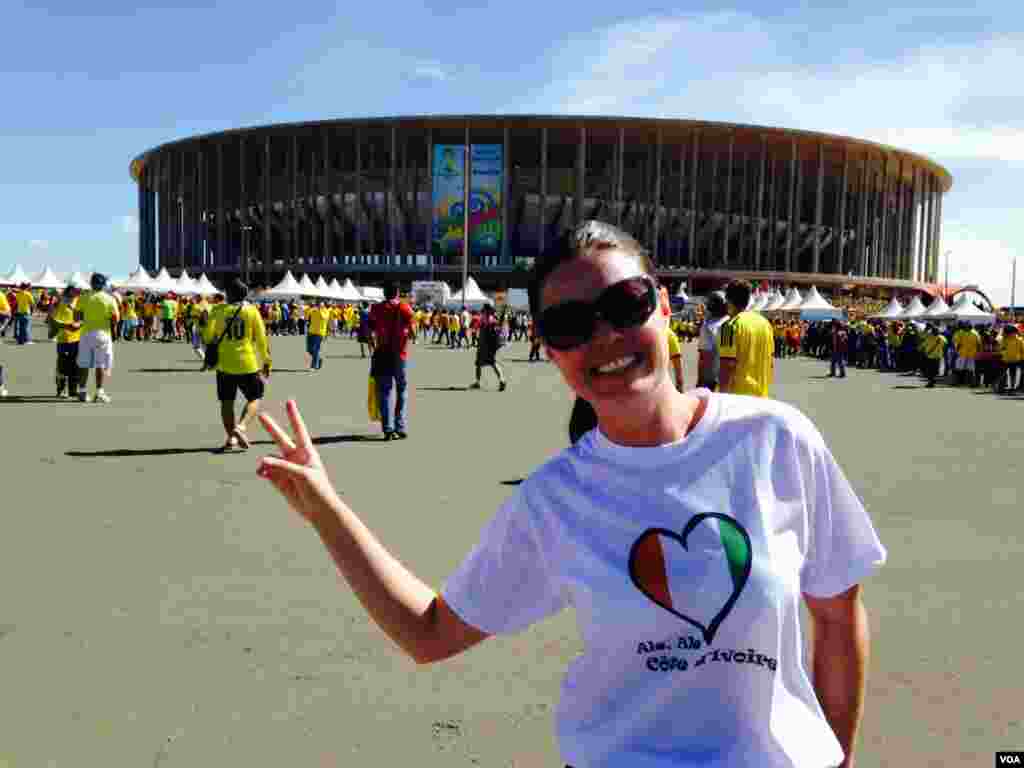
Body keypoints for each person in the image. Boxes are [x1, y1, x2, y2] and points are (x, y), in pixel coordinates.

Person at [255, 220, 886, 768]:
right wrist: (326, 511)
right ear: (551, 350)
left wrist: (841, 758)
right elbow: (430, 634)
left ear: (664, 307)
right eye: (569, 325)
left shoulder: (775, 438)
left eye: (627, 303)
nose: (604, 336)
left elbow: (837, 615)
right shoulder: (554, 500)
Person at [204, 279, 271, 451]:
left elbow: (208, 336)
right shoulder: (252, 311)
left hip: (224, 364)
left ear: (229, 294)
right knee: (255, 398)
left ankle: (231, 439)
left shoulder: (218, 310)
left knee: (226, 402)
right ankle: (241, 427)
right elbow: (261, 339)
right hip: (247, 362)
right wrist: (266, 361)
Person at [369, 282, 414, 440]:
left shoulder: (376, 309)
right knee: (401, 389)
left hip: (382, 353)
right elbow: (412, 331)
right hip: (399, 355)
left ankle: (387, 429)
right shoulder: (404, 307)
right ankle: (399, 426)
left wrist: (374, 342)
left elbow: (369, 329)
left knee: (384, 392)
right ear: (397, 293)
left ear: (383, 293)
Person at [718, 281, 775, 397]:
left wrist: (722, 399)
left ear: (729, 301)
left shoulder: (729, 326)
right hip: (761, 395)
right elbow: (771, 363)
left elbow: (727, 366)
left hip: (738, 398)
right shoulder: (765, 323)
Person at [74, 274, 120, 403]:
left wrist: (83, 319)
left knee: (83, 364)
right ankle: (99, 392)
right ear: (103, 284)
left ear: (91, 284)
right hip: (103, 334)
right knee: (100, 364)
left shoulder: (83, 297)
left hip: (86, 333)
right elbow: (115, 318)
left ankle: (82, 392)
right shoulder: (109, 299)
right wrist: (114, 331)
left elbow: (77, 316)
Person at [49, 285, 82, 398]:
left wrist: (79, 324)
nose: (78, 291)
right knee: (62, 365)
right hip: (63, 339)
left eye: (79, 290)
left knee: (76, 365)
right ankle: (61, 389)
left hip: (78, 339)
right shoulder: (59, 302)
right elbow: (52, 320)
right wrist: (66, 326)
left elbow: (83, 318)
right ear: (70, 290)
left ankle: (73, 390)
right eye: (76, 289)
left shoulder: (80, 301)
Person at [469, 304, 506, 391]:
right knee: (493, 363)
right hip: (492, 346)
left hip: (483, 345)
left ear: (485, 310)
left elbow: (474, 328)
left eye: (483, 310)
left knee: (478, 364)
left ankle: (478, 382)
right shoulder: (494, 319)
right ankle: (502, 379)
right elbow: (500, 330)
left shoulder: (482, 319)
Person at [697, 290, 728, 391]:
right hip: (731, 377)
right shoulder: (733, 322)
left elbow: (705, 357)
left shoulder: (708, 327)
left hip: (712, 379)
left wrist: (700, 381)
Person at [306, 300, 330, 370]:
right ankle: (319, 359)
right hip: (311, 331)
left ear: (324, 305)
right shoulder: (313, 310)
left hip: (319, 333)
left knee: (315, 349)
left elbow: (323, 318)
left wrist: (320, 310)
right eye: (318, 303)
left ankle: (313, 366)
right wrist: (310, 310)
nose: (319, 304)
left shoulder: (326, 311)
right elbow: (308, 317)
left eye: (320, 303)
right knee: (309, 349)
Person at [920, 324, 946, 389]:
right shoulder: (942, 338)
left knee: (931, 370)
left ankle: (931, 381)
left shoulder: (929, 337)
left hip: (930, 355)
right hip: (936, 356)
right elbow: (945, 345)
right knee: (934, 370)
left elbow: (923, 345)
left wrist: (921, 349)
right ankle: (932, 381)